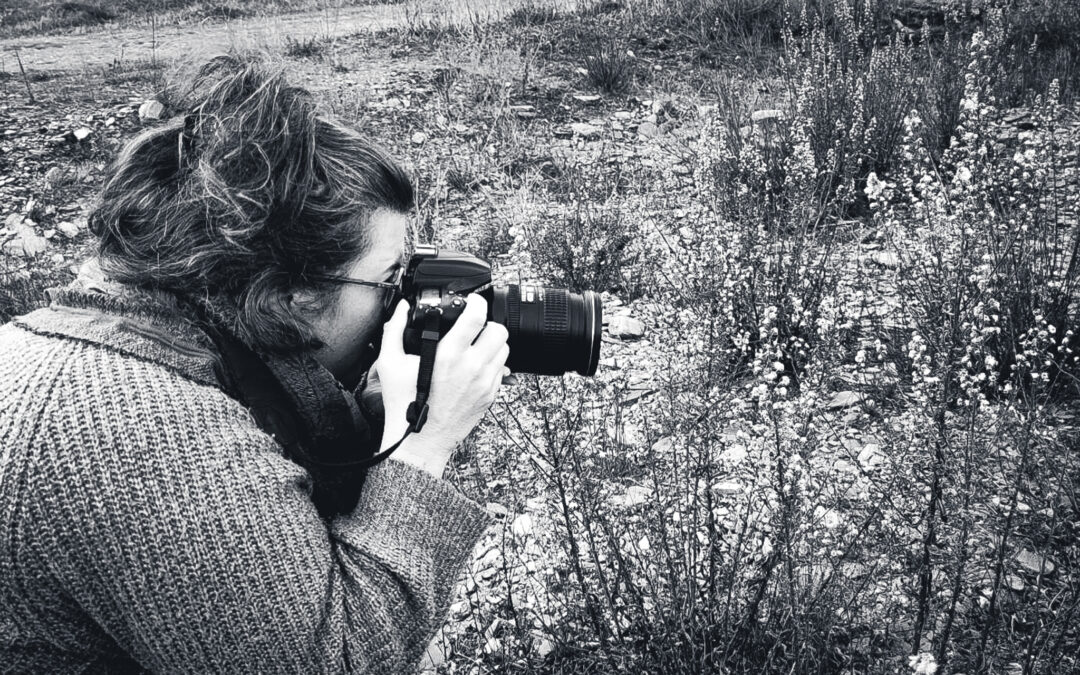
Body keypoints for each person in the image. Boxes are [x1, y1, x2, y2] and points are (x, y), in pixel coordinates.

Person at [0, 55, 509, 673]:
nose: (403, 297)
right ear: (284, 295)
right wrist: (424, 450)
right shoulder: (138, 433)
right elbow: (335, 661)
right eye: (388, 278)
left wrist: (380, 412)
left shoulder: (135, 343)